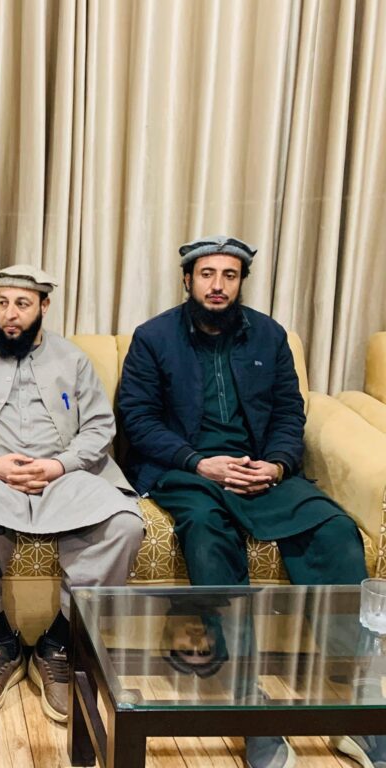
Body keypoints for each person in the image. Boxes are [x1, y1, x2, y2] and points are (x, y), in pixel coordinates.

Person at [118, 235, 381, 768]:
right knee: (207, 534)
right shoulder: (153, 338)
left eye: (229, 276)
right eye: (207, 274)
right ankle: (247, 700)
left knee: (333, 531)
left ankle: (353, 700)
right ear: (187, 280)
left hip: (260, 470)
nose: (217, 285)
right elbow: (138, 420)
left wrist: (278, 464)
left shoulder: (269, 335)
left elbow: (289, 412)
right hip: (186, 472)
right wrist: (199, 462)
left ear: (241, 282)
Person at [0, 265, 144, 719]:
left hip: (64, 475)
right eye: (3, 303)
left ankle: (56, 644)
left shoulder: (73, 359)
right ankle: (2, 644)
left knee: (126, 525)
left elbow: (99, 426)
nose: (10, 314)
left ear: (44, 306)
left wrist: (58, 464)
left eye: (22, 304)